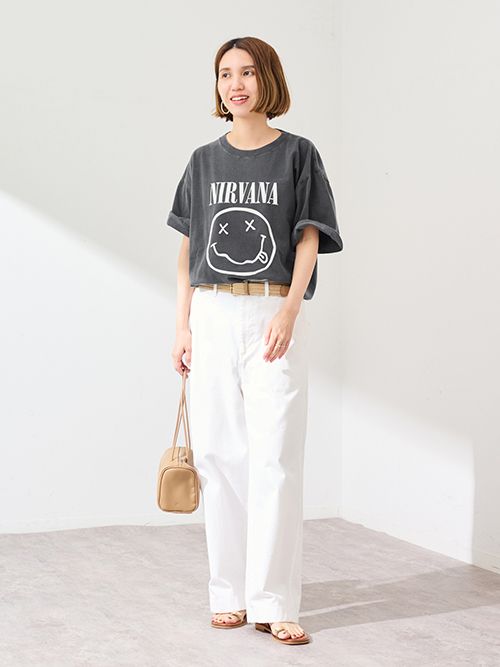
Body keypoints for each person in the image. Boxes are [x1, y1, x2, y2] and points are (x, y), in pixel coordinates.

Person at [166, 36, 343, 646]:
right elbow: (188, 247)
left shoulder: (298, 153)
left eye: (246, 72)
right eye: (225, 74)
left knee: (276, 457)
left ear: (268, 78)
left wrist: (290, 308)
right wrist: (183, 324)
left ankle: (275, 602)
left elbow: (308, 235)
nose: (235, 84)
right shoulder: (202, 161)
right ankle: (229, 596)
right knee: (219, 456)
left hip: (273, 311)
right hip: (213, 312)